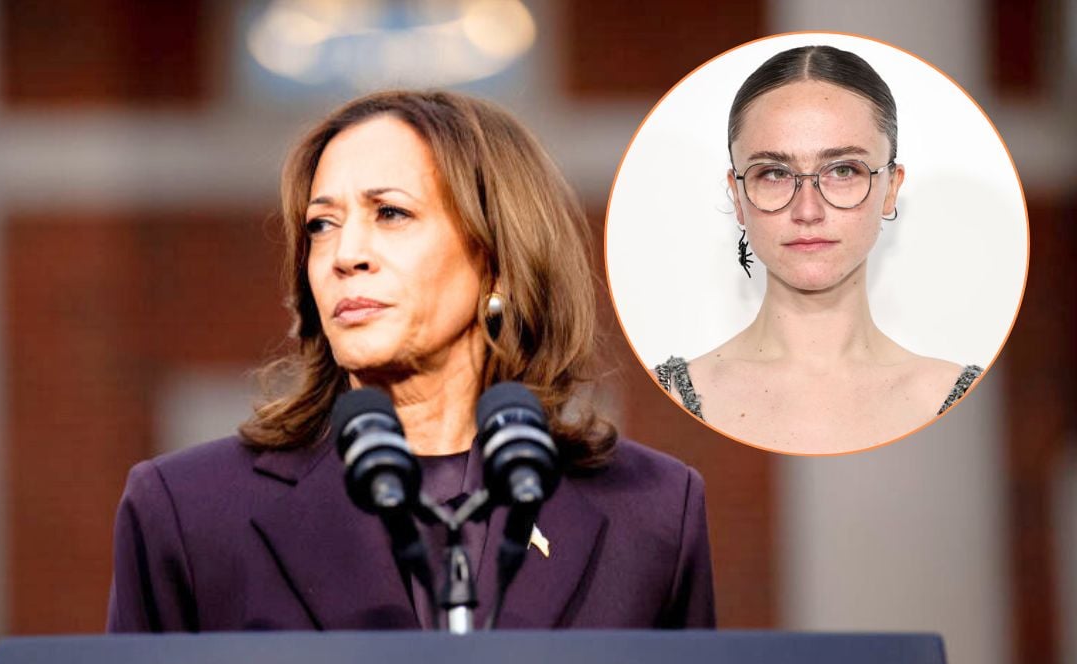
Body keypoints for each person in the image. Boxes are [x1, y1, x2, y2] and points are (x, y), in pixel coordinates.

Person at [107, 90, 715, 631]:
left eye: (390, 213)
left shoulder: (654, 512)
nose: (345, 254)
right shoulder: (186, 511)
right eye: (321, 225)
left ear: (496, 256)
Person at [656, 45, 982, 454]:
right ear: (738, 196)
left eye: (843, 170)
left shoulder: (960, 397)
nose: (807, 210)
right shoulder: (667, 394)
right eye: (774, 173)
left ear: (891, 188)